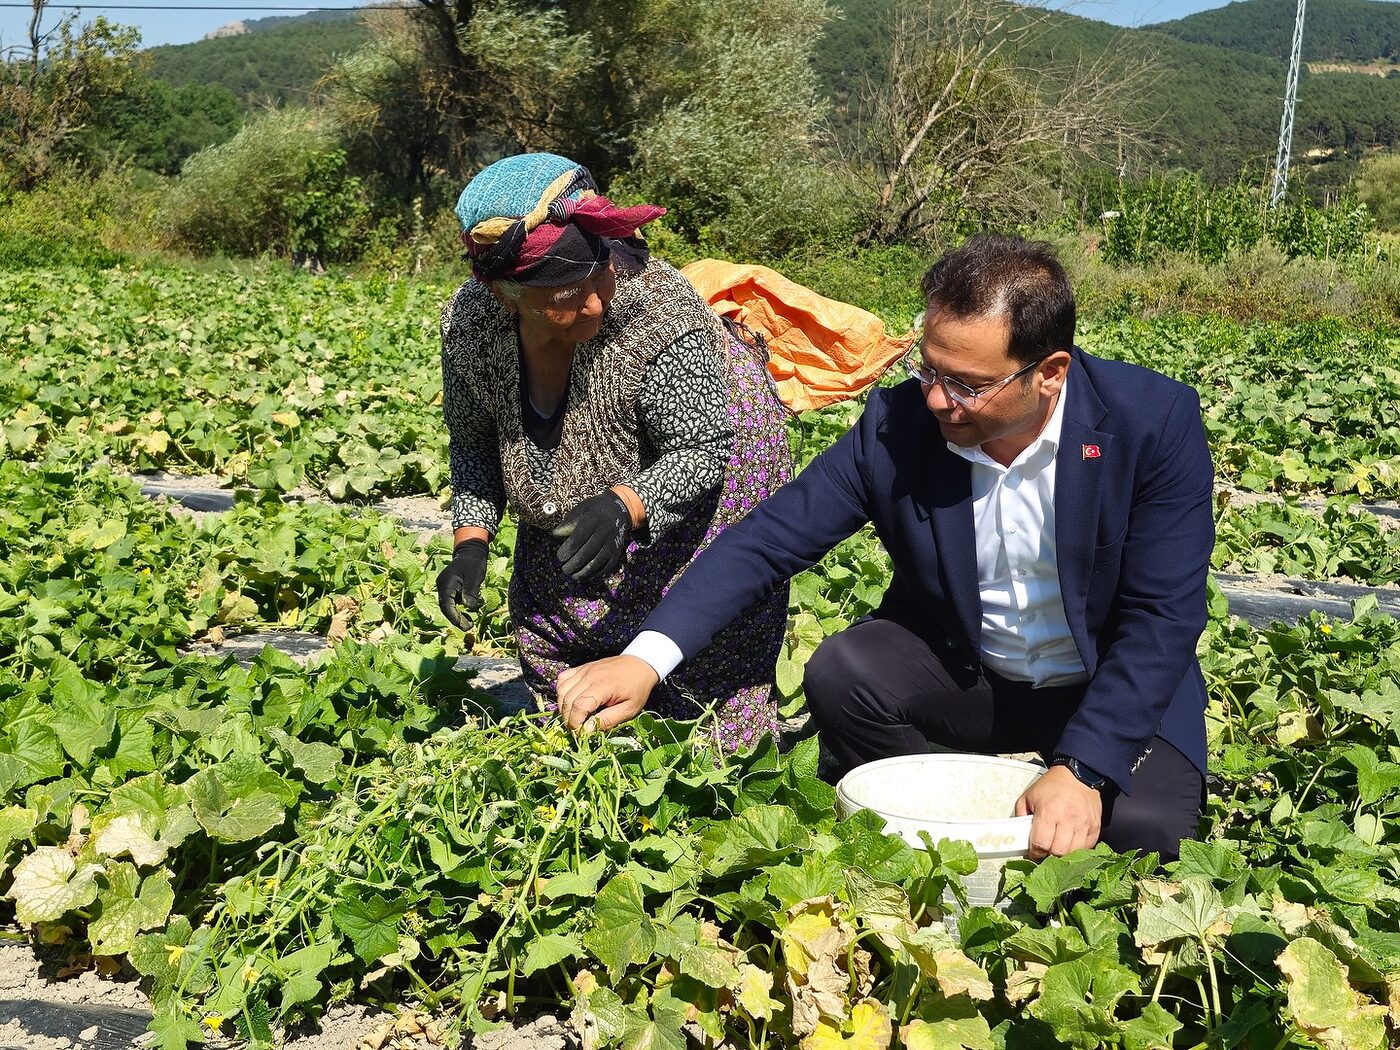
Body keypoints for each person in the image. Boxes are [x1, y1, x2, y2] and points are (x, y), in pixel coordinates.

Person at [556, 234, 1214, 863]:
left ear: (1048, 374)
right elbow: (767, 542)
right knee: (847, 673)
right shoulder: (900, 427)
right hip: (976, 677)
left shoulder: (1151, 424)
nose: (935, 398)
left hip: (1105, 681)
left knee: (1141, 829)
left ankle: (1054, 788)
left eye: (967, 384)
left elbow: (1162, 618)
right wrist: (643, 660)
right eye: (929, 368)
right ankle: (920, 830)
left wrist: (1083, 766)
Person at [435, 152, 792, 751]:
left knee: (702, 716)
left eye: (597, 273)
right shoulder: (470, 326)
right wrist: (471, 545)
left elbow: (701, 447)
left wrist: (629, 503)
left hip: (716, 468)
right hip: (568, 482)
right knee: (564, 678)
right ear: (504, 292)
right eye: (563, 294)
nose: (594, 303)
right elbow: (475, 443)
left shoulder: (657, 312)